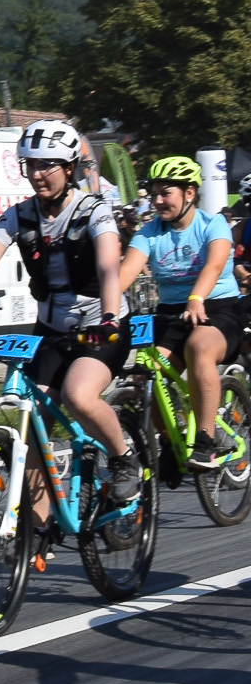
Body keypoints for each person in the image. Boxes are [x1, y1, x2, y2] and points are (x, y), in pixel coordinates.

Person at [0, 118, 141, 531]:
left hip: (101, 326)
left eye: (48, 165)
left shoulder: (94, 211)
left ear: (69, 168)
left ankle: (123, 459)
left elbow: (108, 268)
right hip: (52, 330)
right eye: (30, 165)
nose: (38, 174)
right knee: (32, 425)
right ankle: (38, 529)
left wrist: (110, 317)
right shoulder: (18, 216)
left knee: (79, 395)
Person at [118, 156, 242, 465]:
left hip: (217, 307)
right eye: (154, 194)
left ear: (189, 193)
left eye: (166, 193)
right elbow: (126, 272)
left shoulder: (213, 224)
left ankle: (206, 438)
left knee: (198, 346)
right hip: (171, 312)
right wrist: (102, 307)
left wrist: (196, 297)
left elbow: (215, 265)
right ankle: (169, 441)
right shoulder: (149, 232)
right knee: (145, 375)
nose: (158, 201)